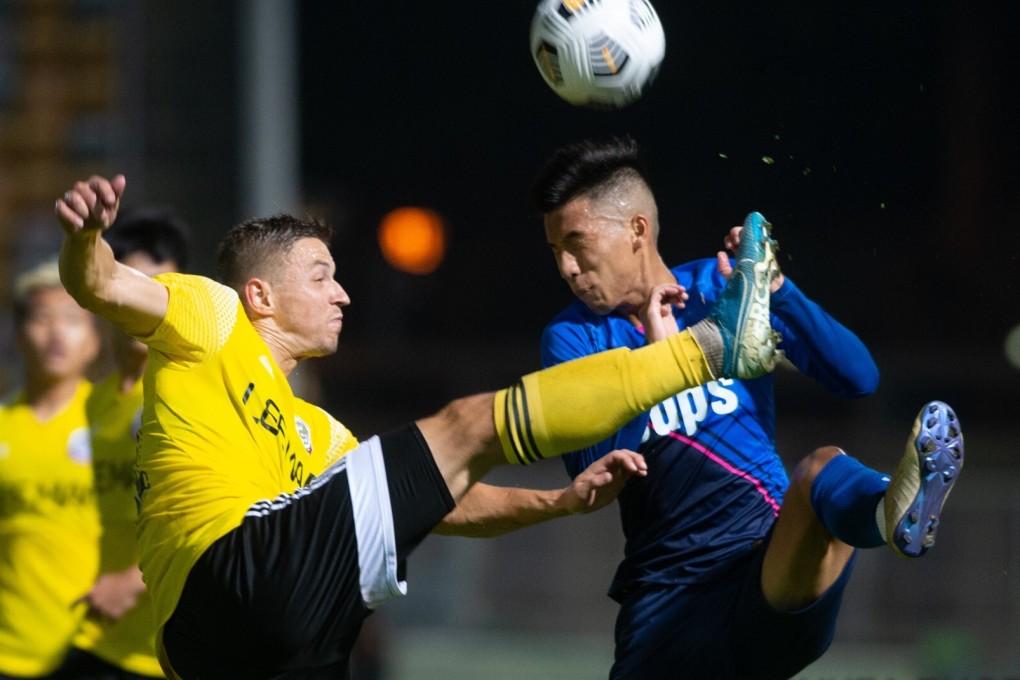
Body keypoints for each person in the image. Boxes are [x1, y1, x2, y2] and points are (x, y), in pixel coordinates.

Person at [53, 172, 780, 679]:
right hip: (228, 576)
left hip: (230, 652)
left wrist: (557, 504)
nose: (341, 293)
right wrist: (87, 237)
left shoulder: (321, 435)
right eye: (320, 275)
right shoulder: (213, 318)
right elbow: (104, 283)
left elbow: (447, 500)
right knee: (466, 424)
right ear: (260, 294)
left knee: (433, 471)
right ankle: (711, 348)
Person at [524, 136, 964, 679]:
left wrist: (777, 289)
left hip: (768, 563)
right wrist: (664, 367)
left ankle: (890, 512)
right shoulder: (571, 337)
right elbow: (589, 470)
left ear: (637, 229)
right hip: (671, 600)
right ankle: (880, 510)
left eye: (577, 241)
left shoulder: (721, 287)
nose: (567, 267)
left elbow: (858, 378)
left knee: (821, 468)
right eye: (554, 252)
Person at [58, 208, 191, 680]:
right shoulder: (90, 405)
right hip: (93, 639)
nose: (144, 301)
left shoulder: (185, 399)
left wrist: (129, 583)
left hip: (163, 653)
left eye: (159, 288)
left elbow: (205, 523)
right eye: (135, 284)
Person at [0, 260, 102, 678]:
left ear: (95, 341)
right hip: (9, 653)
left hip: (95, 649)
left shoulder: (113, 424)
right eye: (43, 319)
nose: (57, 333)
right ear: (20, 337)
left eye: (73, 320)